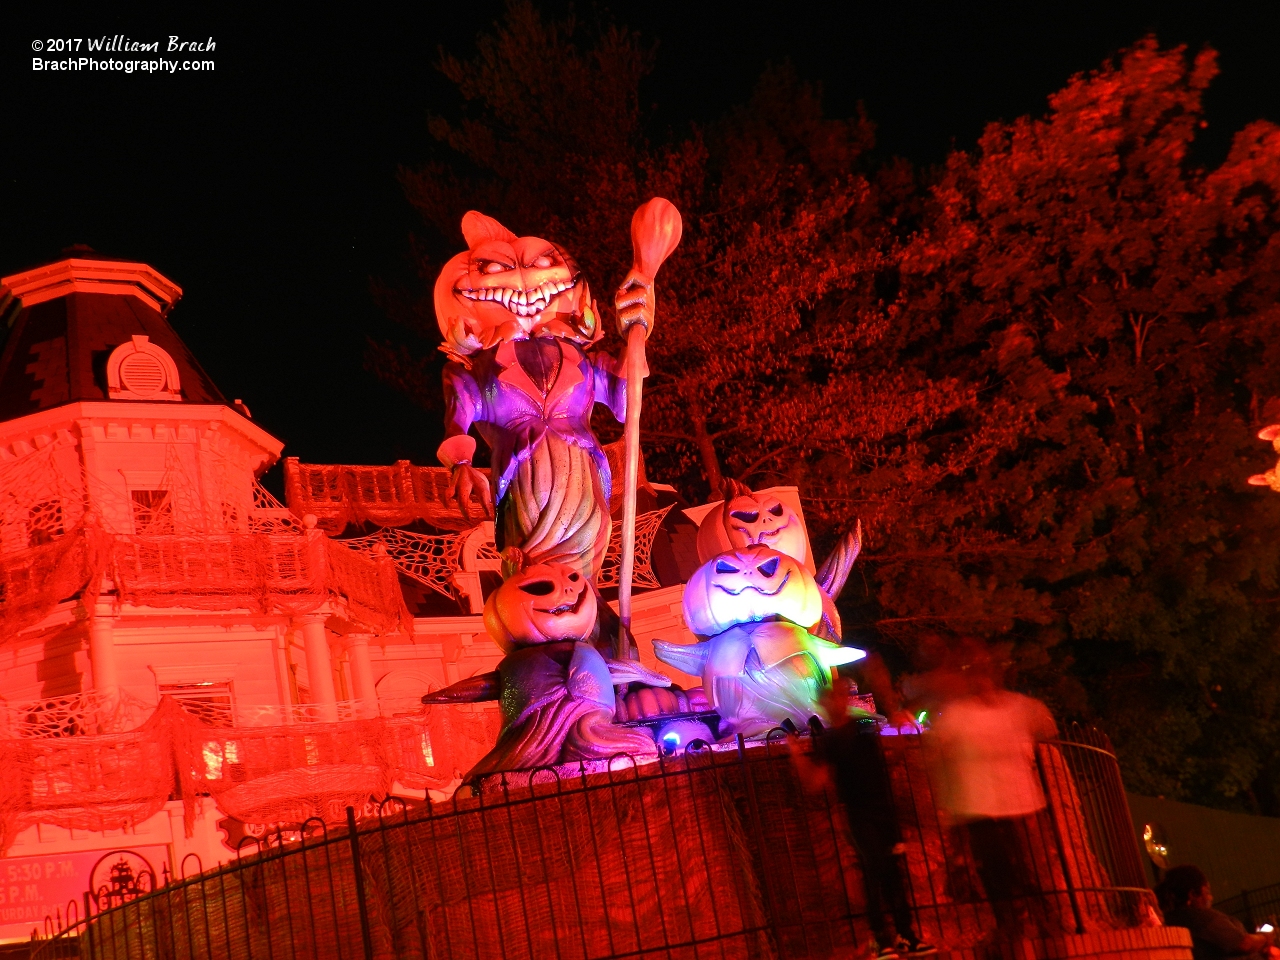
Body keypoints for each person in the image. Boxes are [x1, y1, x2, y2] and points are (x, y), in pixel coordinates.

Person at [788, 674, 937, 960]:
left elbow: (888, 756)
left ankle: (906, 936)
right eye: (834, 696)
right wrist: (796, 754)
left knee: (893, 873)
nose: (841, 700)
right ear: (825, 703)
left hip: (883, 811)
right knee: (874, 871)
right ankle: (881, 939)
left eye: (842, 695)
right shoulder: (830, 740)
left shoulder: (862, 729)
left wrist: (900, 727)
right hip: (860, 814)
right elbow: (816, 783)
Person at [924, 645, 1059, 940]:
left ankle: (1045, 923)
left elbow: (1047, 726)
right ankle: (1011, 925)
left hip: (1021, 803)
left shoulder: (1018, 706)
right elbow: (938, 750)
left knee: (1030, 870)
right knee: (996, 872)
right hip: (979, 806)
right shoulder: (960, 714)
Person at [1158, 865, 1280, 959]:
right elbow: (1244, 944)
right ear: (1193, 894)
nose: (1210, 898)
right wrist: (1265, 937)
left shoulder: (1171, 920)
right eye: (1207, 892)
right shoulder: (1200, 918)